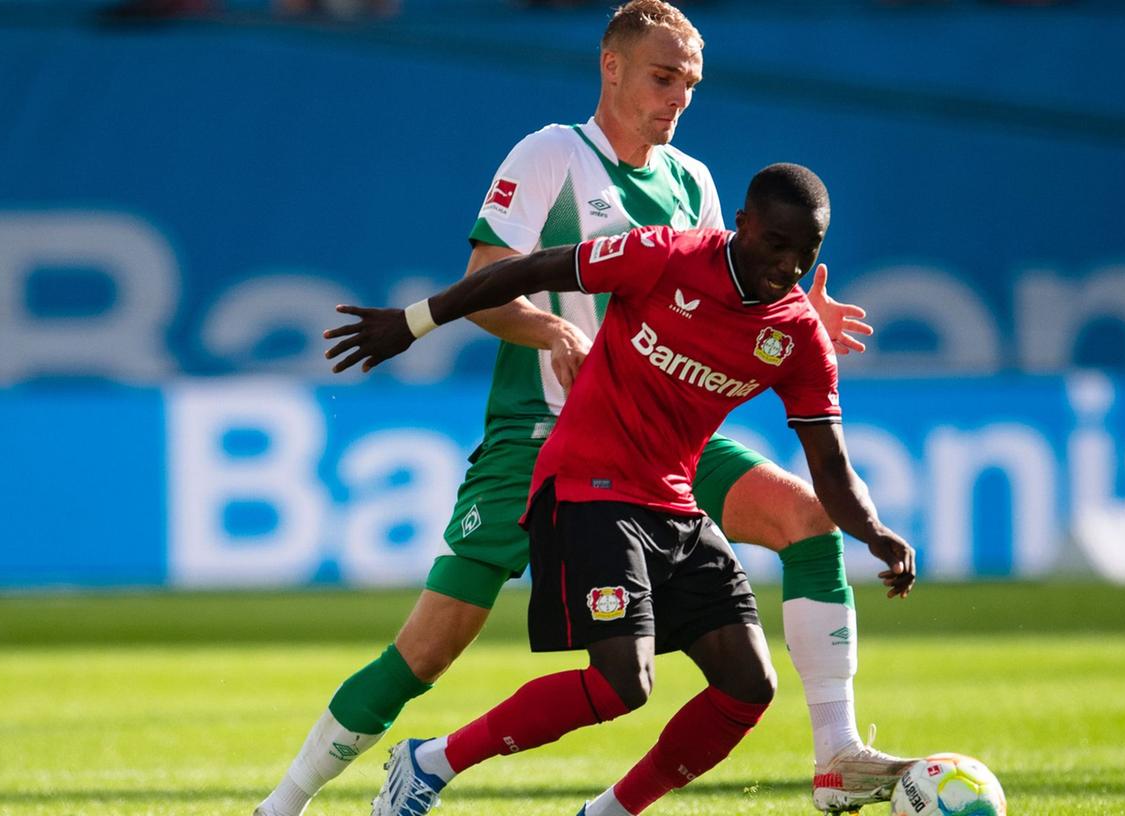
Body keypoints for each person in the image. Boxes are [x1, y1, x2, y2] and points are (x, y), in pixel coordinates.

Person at [255, 4, 911, 815]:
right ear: (612, 67)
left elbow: (730, 294)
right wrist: (548, 325)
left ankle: (836, 754)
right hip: (543, 431)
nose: (677, 98)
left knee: (809, 519)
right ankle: (284, 803)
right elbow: (489, 279)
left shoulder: (693, 183)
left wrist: (802, 317)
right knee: (426, 651)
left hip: (667, 444)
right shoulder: (552, 155)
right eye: (662, 77)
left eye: (691, 85)